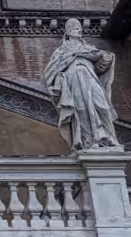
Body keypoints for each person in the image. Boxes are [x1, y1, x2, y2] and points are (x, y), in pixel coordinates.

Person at [43, 18, 120, 151]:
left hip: (90, 77)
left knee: (102, 106)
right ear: (67, 32)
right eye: (73, 27)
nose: (77, 29)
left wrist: (105, 57)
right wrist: (71, 60)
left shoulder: (88, 48)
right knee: (82, 109)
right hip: (74, 80)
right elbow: (50, 71)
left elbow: (102, 66)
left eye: (79, 27)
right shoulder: (61, 51)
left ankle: (109, 138)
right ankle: (89, 141)